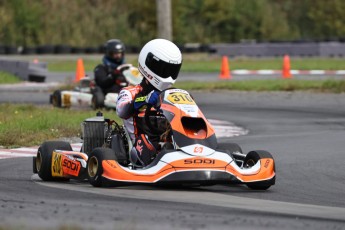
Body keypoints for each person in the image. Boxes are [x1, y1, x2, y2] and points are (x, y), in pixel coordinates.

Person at [116, 38, 182, 166]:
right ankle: (163, 157)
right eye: (164, 70)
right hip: (140, 146)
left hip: (168, 143)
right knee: (151, 147)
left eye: (172, 70)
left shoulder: (171, 95)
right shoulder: (130, 92)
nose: (168, 75)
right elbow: (122, 111)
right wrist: (144, 100)